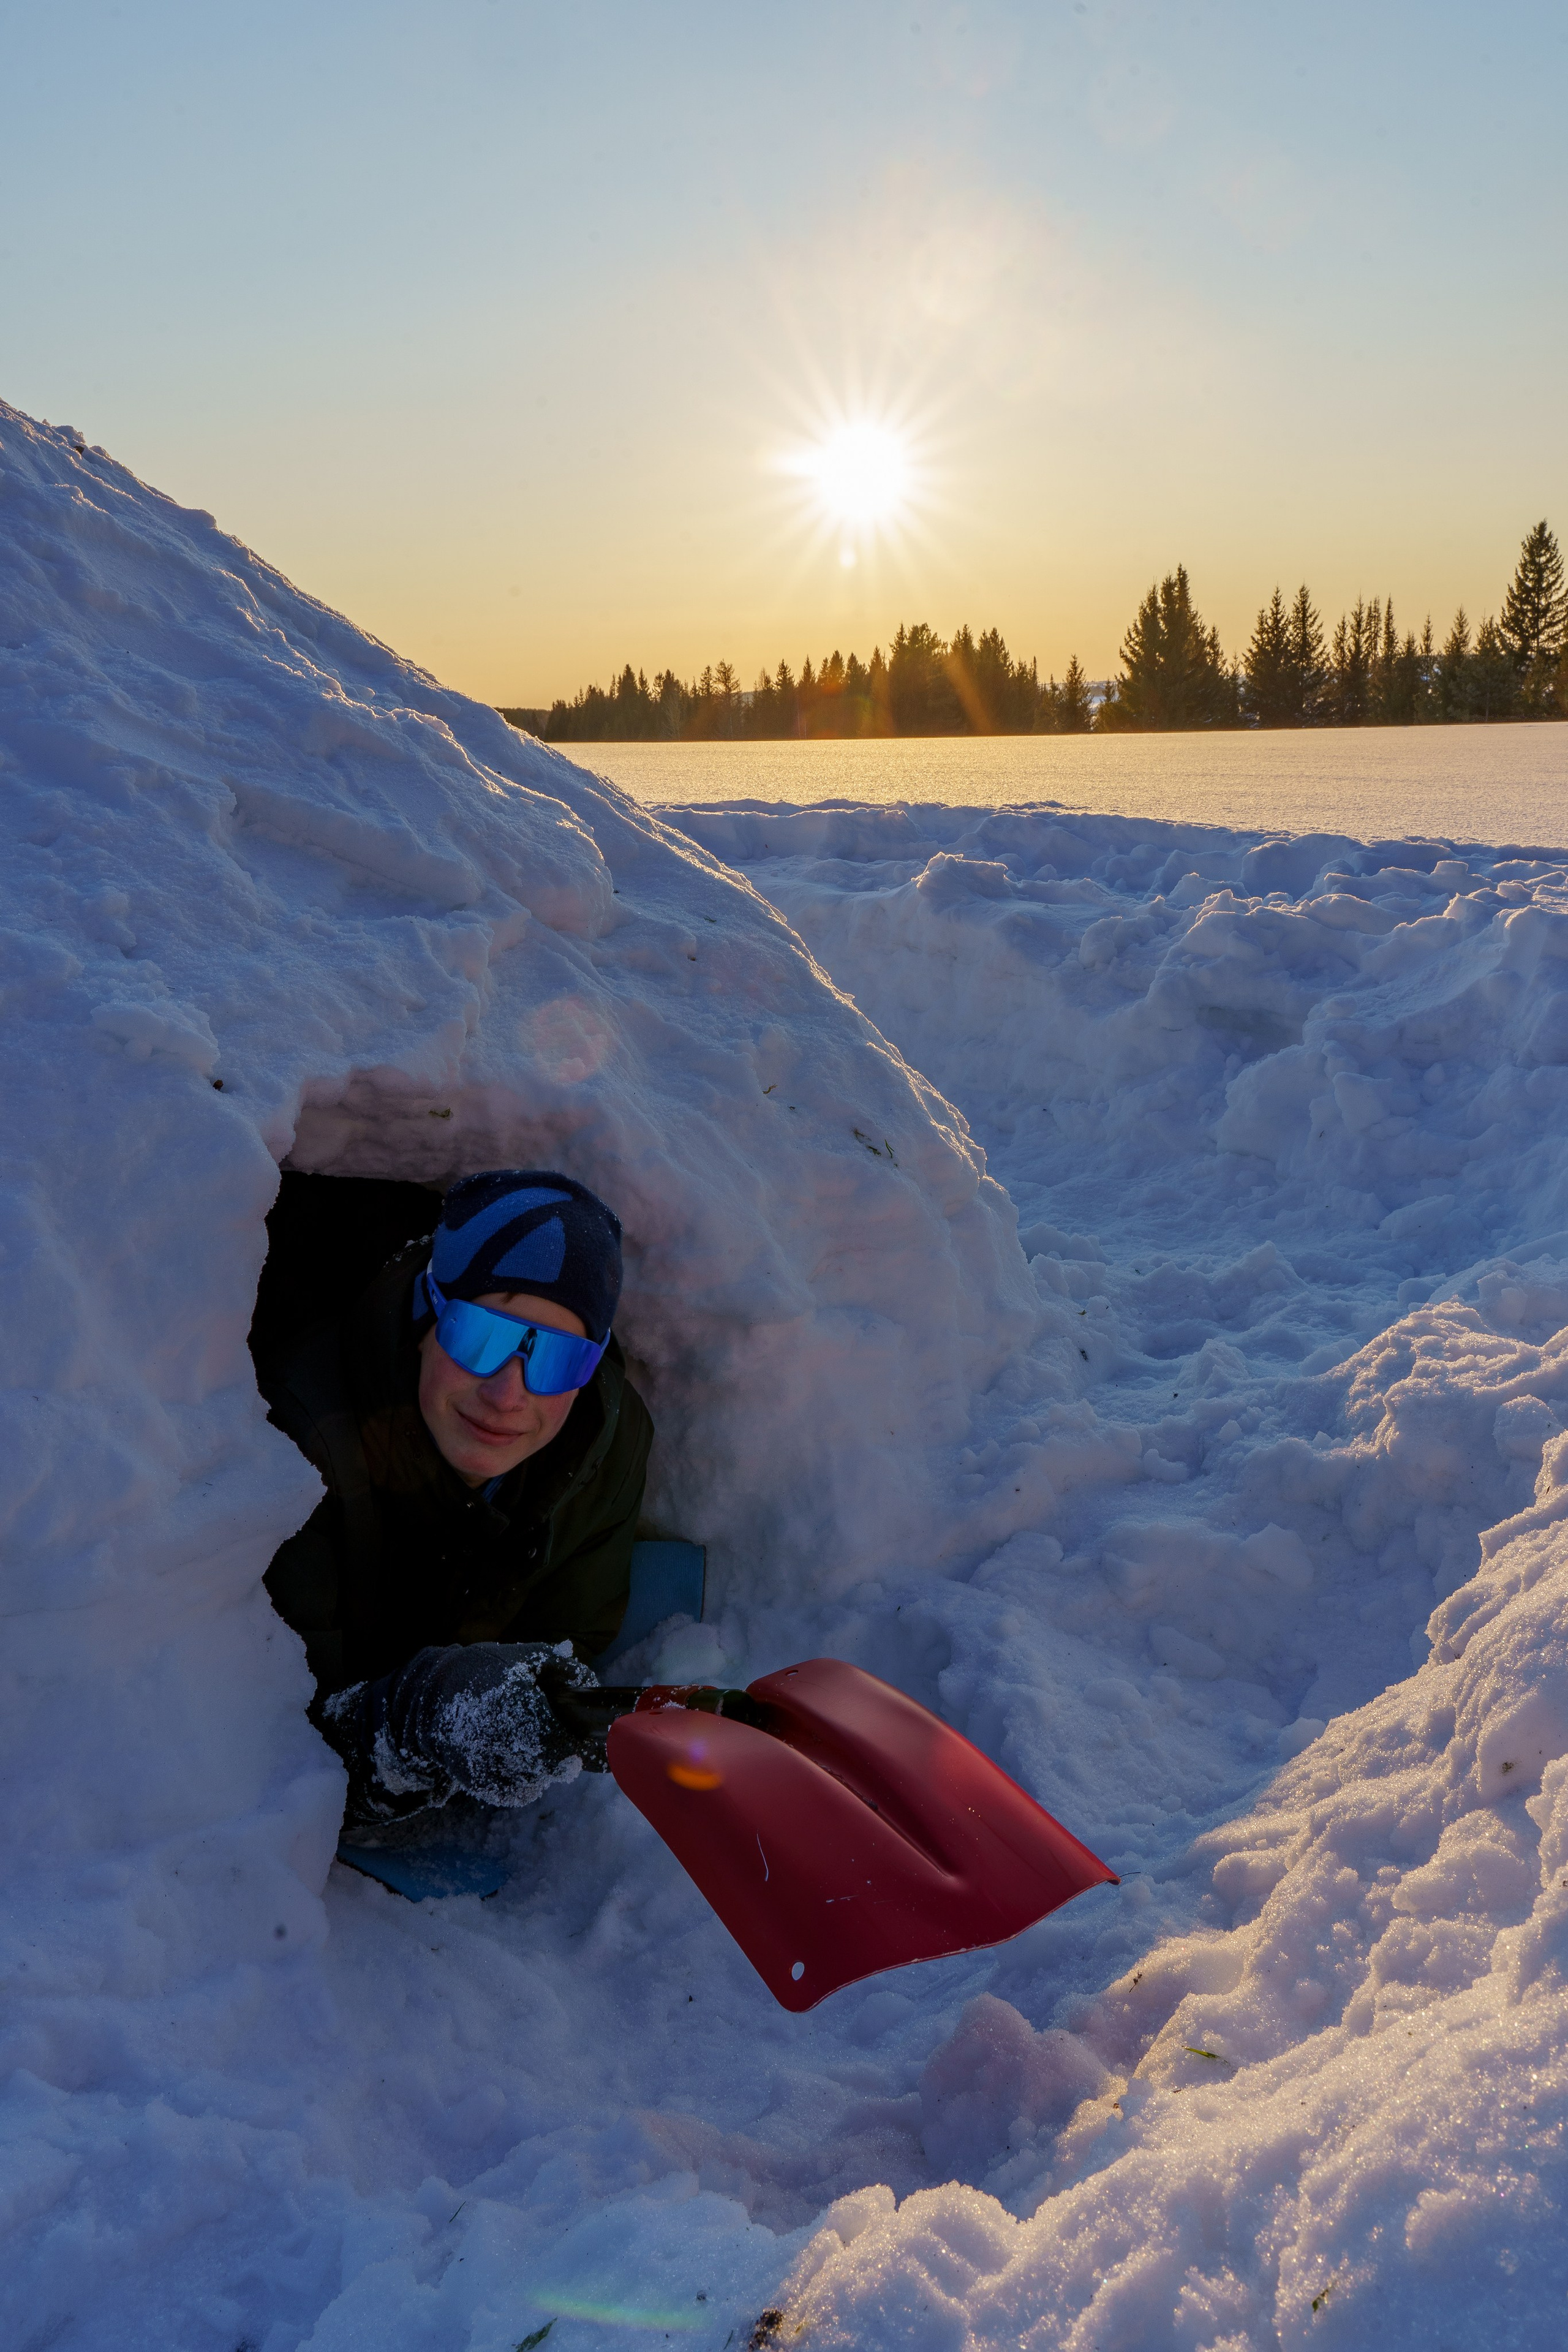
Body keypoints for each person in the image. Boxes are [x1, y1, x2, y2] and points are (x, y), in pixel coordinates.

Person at [260, 1169, 655, 1839]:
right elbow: (267, 1751)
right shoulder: (300, 1447)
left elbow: (574, 1635)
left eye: (557, 1359)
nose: (509, 1394)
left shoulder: (602, 1447)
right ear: (425, 1317)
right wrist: (424, 1714)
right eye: (482, 1337)